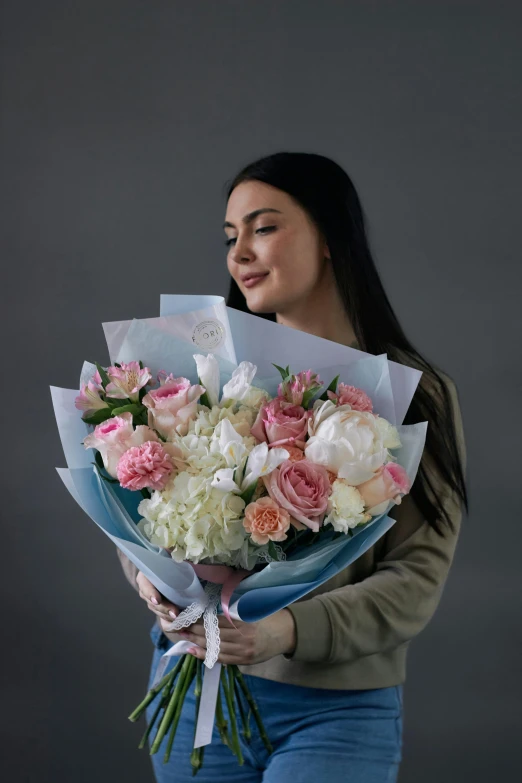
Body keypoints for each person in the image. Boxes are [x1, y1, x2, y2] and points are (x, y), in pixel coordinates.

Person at [118, 151, 468, 782]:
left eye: (264, 227)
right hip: (201, 689)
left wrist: (289, 630)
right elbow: (144, 512)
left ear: (330, 237)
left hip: (336, 712)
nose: (240, 253)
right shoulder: (206, 383)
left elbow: (417, 574)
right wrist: (150, 578)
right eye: (231, 237)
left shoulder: (416, 396)